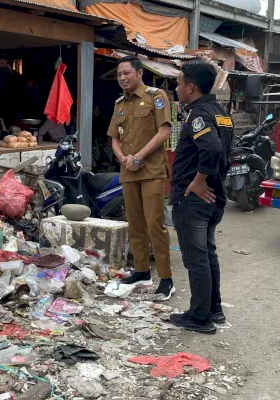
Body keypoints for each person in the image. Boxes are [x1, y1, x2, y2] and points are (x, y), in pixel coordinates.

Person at [169, 61, 233, 333]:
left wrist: (197, 181)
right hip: (214, 196)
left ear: (191, 86)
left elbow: (213, 149)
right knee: (207, 255)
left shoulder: (199, 114)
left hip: (194, 199)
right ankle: (213, 309)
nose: (176, 87)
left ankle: (199, 317)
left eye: (179, 82)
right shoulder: (220, 112)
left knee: (196, 259)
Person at [107, 56, 174, 300]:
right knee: (135, 225)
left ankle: (166, 279)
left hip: (151, 171)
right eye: (119, 74)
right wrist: (124, 158)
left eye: (127, 73)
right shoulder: (119, 105)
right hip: (128, 172)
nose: (122, 78)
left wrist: (138, 157)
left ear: (139, 73)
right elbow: (114, 137)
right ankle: (142, 271)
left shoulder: (156, 97)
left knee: (155, 224)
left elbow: (164, 131)